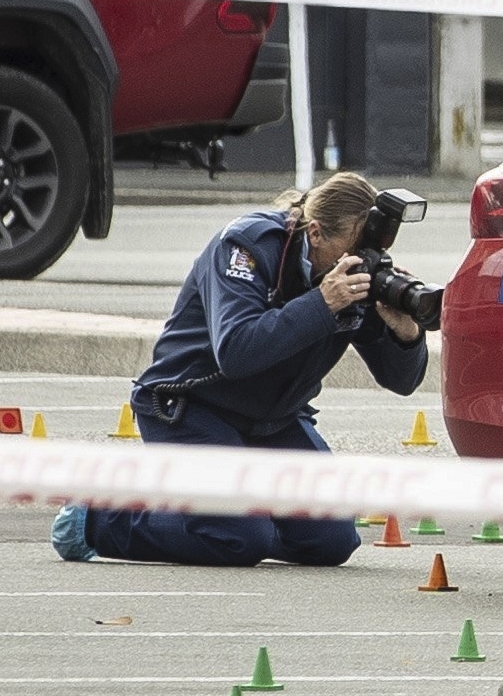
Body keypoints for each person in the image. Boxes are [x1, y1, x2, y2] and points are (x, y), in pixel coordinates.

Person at [50, 172, 429, 568]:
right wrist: (321, 303)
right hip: (190, 408)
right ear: (315, 233)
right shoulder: (248, 246)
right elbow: (235, 351)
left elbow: (400, 381)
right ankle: (97, 517)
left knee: (329, 542)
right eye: (352, 249)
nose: (360, 263)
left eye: (369, 251)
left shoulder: (349, 277)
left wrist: (405, 333)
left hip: (272, 420)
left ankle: (230, 515)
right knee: (239, 540)